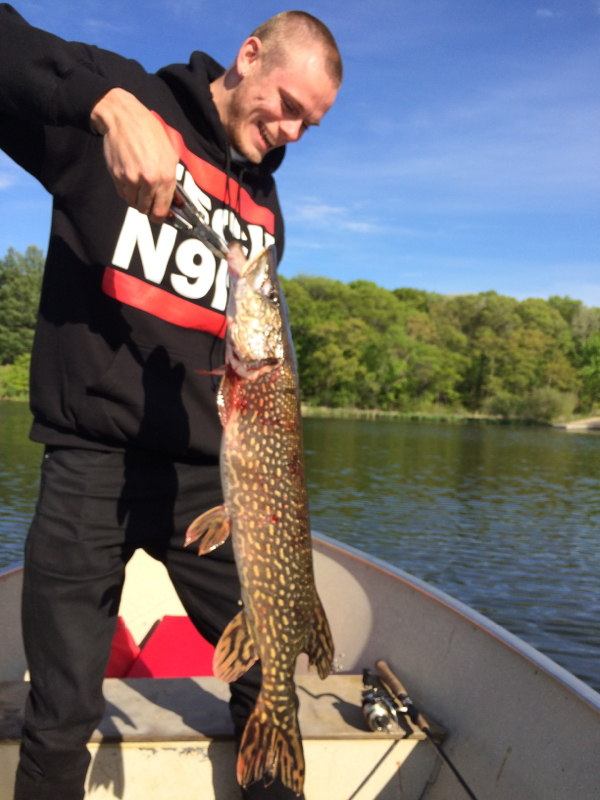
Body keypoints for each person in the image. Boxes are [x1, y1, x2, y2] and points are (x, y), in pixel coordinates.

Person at [0, 4, 341, 799]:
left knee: (269, 672)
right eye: (288, 105)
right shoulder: (122, 98)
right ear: (249, 56)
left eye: (310, 125)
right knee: (60, 716)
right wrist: (105, 106)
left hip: (211, 481)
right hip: (92, 463)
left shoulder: (263, 202)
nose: (292, 132)